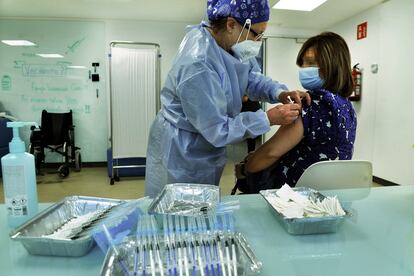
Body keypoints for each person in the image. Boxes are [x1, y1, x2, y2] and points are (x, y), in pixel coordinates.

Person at [144, 0, 311, 198]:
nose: (258, 41)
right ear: (231, 24)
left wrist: (278, 93)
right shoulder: (197, 65)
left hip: (206, 143)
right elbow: (218, 129)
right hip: (182, 149)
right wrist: (267, 119)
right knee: (177, 208)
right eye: (257, 34)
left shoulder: (230, 45)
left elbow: (250, 77)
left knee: (202, 203)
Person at [235, 32, 357, 193]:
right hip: (330, 196)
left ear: (332, 65)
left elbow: (270, 154)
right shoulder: (347, 107)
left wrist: (245, 168)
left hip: (291, 199)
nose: (305, 70)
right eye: (303, 64)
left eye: (312, 63)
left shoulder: (310, 103)